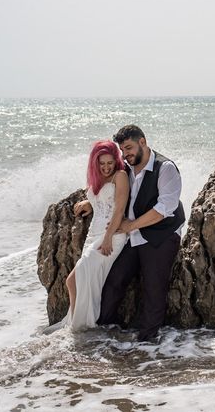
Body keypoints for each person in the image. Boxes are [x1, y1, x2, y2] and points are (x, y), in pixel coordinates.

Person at [88, 125, 186, 342]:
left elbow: (163, 210)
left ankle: (147, 343)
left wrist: (130, 226)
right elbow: (110, 187)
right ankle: (105, 332)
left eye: (129, 148)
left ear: (143, 142)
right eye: (122, 150)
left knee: (153, 287)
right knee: (114, 280)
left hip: (161, 234)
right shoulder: (127, 167)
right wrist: (90, 202)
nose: (126, 154)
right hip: (133, 235)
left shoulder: (166, 168)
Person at [64, 140, 129, 331]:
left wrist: (108, 237)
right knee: (79, 281)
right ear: (95, 163)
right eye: (102, 164)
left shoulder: (121, 176)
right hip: (93, 235)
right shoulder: (98, 179)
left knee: (74, 280)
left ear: (115, 161)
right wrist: (88, 203)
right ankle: (77, 324)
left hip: (112, 236)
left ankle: (80, 327)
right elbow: (101, 199)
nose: (106, 167)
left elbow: (119, 209)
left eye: (110, 163)